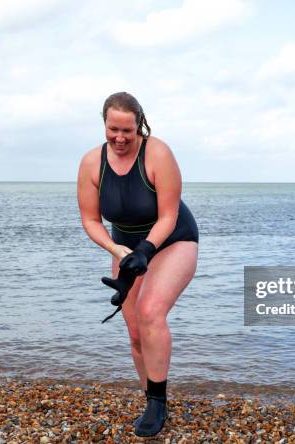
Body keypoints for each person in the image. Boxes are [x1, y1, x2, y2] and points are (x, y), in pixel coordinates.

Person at [77, 92, 199, 437]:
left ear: (139, 125)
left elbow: (169, 215)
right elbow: (90, 220)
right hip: (126, 247)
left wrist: (145, 250)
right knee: (134, 333)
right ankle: (151, 397)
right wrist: (118, 251)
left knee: (149, 311)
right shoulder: (90, 163)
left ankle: (158, 403)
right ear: (104, 124)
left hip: (174, 238)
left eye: (127, 131)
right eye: (113, 129)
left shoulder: (157, 153)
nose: (119, 137)